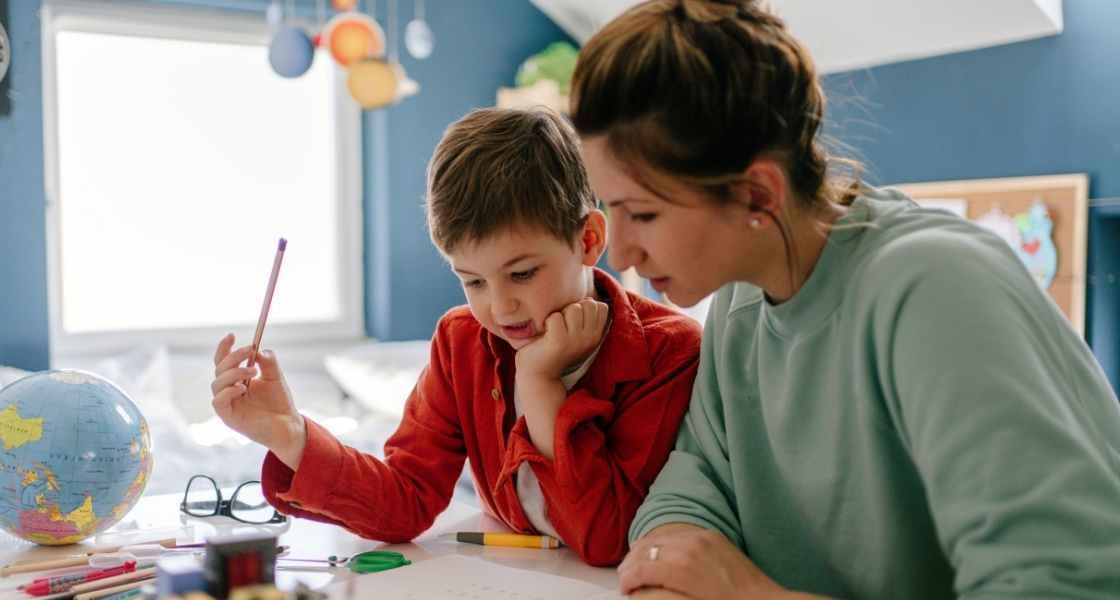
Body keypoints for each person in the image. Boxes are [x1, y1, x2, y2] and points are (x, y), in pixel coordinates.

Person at [569, 0, 1120, 597]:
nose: (622, 252)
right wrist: (666, 569)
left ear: (758, 195)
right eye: (610, 209)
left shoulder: (936, 291)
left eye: (643, 213)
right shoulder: (740, 305)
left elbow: (1060, 585)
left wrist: (751, 595)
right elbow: (691, 487)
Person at [208, 108, 701, 567]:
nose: (501, 308)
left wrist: (540, 386)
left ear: (588, 239)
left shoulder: (669, 351)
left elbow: (607, 538)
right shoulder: (461, 340)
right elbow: (406, 501)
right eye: (473, 281)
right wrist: (289, 435)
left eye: (522, 274)